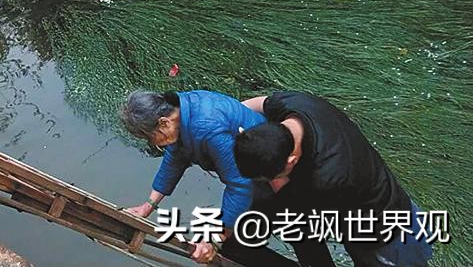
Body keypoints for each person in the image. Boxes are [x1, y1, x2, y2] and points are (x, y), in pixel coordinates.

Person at [235, 91, 435, 267]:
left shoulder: (327, 178)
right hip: (376, 208)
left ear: (291, 161)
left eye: (272, 177)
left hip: (389, 239)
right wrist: (232, 117)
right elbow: (258, 104)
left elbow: (304, 229)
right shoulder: (295, 104)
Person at [120, 90, 291, 266]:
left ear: (163, 123)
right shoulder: (180, 110)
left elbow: (240, 184)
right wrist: (148, 206)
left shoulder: (207, 128)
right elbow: (175, 158)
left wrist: (216, 240)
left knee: (234, 243)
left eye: (150, 137)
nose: (152, 143)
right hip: (255, 174)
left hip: (271, 174)